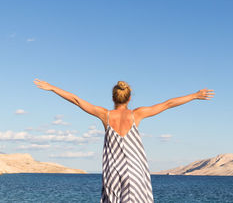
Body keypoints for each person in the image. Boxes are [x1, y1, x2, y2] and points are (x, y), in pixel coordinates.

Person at [33, 78, 215, 202]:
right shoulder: (138, 114)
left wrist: (53, 87)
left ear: (113, 98)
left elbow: (76, 100)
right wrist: (194, 95)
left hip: (112, 172)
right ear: (129, 98)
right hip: (135, 172)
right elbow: (168, 104)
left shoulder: (105, 115)